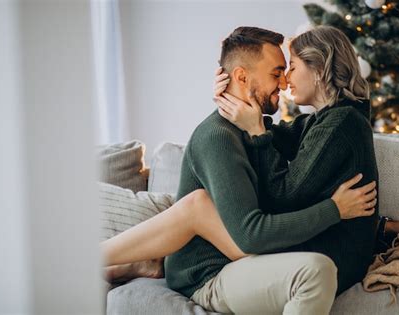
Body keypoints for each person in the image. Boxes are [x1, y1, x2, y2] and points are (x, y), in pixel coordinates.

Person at [102, 26, 379, 314]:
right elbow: (254, 233)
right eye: (277, 72)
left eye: (289, 69)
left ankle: (135, 260)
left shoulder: (322, 123)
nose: (284, 83)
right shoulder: (219, 137)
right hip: (214, 272)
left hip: (245, 258)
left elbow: (293, 153)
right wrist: (335, 209)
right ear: (242, 76)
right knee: (199, 207)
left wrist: (378, 223)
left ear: (320, 70)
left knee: (200, 208)